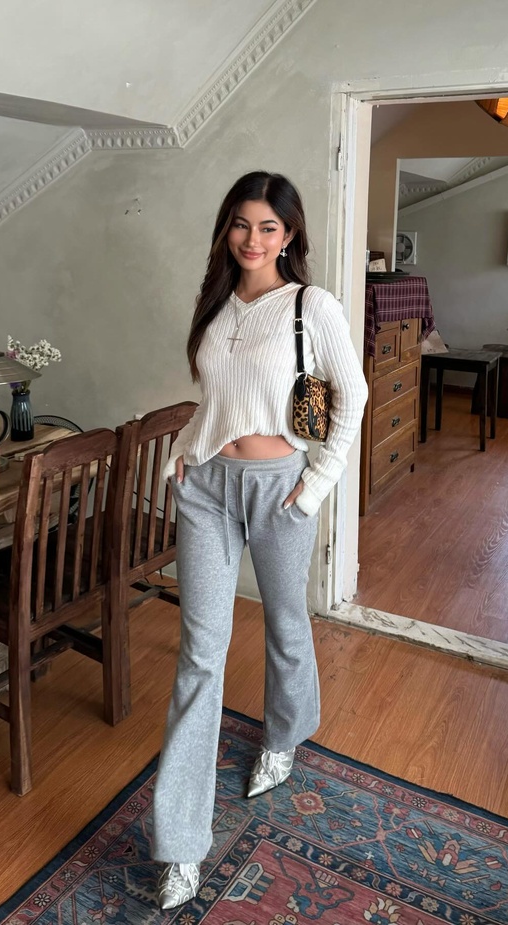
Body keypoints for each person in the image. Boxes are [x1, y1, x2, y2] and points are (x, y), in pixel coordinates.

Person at [152, 171, 368, 910]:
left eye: (268, 227)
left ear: (289, 234)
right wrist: (183, 451)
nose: (252, 239)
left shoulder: (312, 305)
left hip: (281, 487)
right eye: (241, 224)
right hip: (208, 489)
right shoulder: (216, 306)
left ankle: (284, 735)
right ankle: (180, 846)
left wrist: (316, 484)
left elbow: (351, 397)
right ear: (227, 228)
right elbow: (215, 401)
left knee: (284, 621)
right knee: (199, 655)